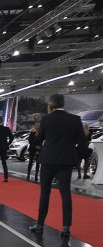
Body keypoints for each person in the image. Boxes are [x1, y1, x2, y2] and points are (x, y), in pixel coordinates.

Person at [29, 93, 87, 238]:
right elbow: (82, 142)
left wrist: (36, 146)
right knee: (65, 194)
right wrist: (77, 157)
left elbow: (39, 139)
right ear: (63, 104)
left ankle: (40, 224)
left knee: (45, 193)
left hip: (48, 160)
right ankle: (66, 227)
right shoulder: (75, 120)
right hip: (66, 162)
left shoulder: (46, 119)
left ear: (51, 105)